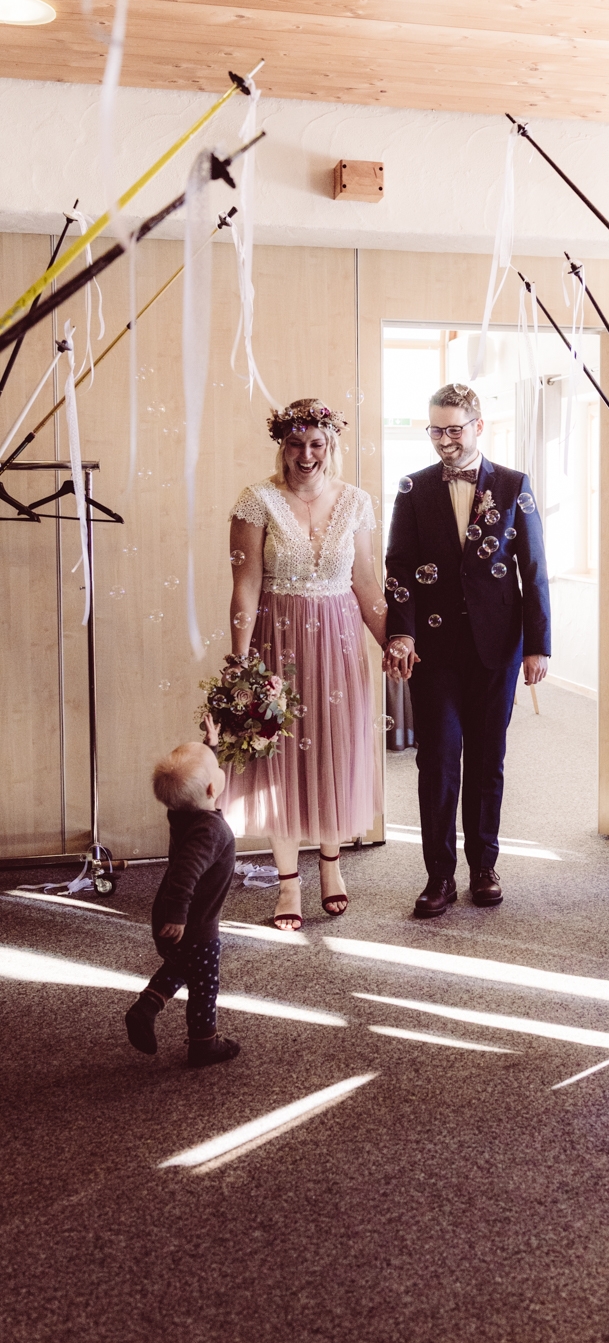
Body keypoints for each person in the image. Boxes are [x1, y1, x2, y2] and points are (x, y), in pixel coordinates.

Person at [383, 383, 551, 918]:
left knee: (487, 759)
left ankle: (484, 865)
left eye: (454, 429)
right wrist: (401, 632)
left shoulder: (515, 485)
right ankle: (439, 877)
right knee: (435, 761)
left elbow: (535, 572)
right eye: (436, 430)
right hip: (433, 652)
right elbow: (399, 567)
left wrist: (538, 645)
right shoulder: (413, 489)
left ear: (480, 426)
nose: (445, 441)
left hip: (497, 648)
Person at [227, 399, 387, 931]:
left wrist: (394, 643)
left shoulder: (357, 502)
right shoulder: (257, 501)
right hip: (280, 639)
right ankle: (288, 882)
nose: (306, 454)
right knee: (281, 757)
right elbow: (246, 585)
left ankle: (332, 867)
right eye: (295, 443)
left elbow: (366, 583)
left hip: (340, 640)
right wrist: (240, 662)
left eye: (316, 443)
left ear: (331, 445)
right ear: (282, 445)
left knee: (332, 749)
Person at [125, 717, 240, 1068]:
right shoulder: (211, 830)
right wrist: (179, 915)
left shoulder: (181, 813)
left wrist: (210, 743)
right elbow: (186, 872)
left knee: (180, 965)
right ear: (210, 790)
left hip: (172, 919)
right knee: (204, 984)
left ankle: (147, 1007)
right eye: (215, 767)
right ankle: (204, 1044)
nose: (218, 767)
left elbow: (194, 782)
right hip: (192, 925)